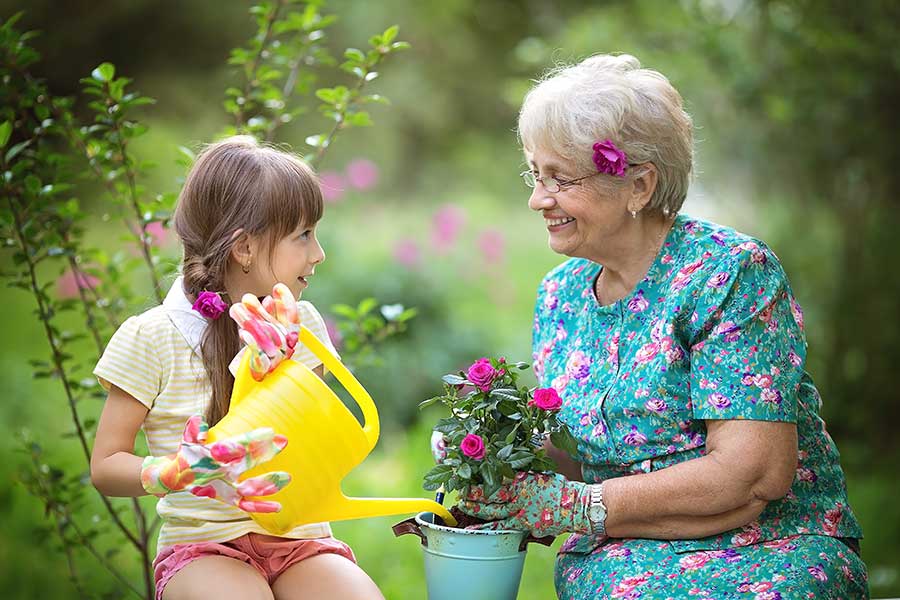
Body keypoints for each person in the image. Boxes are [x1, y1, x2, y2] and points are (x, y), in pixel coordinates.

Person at [460, 54, 869, 598]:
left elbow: (754, 476)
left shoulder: (729, 272)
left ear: (639, 186)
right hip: (623, 552)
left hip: (771, 544)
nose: (539, 199)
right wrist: (494, 458)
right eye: (536, 175)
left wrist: (579, 505)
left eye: (560, 178)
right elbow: (580, 449)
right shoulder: (559, 295)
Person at [90, 136, 384, 600]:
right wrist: (171, 472)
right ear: (244, 248)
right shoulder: (152, 337)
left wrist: (278, 371)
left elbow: (306, 445)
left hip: (298, 537)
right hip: (202, 547)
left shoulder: (298, 326)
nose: (318, 253)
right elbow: (106, 465)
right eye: (303, 235)